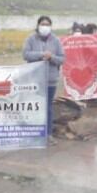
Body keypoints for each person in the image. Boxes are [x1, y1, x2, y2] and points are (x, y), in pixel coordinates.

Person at [23, 16, 65, 145]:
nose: (45, 26)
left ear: (50, 26)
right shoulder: (31, 39)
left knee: (48, 107)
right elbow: (26, 54)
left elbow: (62, 59)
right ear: (38, 25)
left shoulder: (56, 40)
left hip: (50, 80)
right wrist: (41, 55)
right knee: (35, 107)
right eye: (42, 24)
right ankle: (34, 133)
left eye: (47, 24)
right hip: (35, 80)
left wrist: (51, 57)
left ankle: (48, 134)